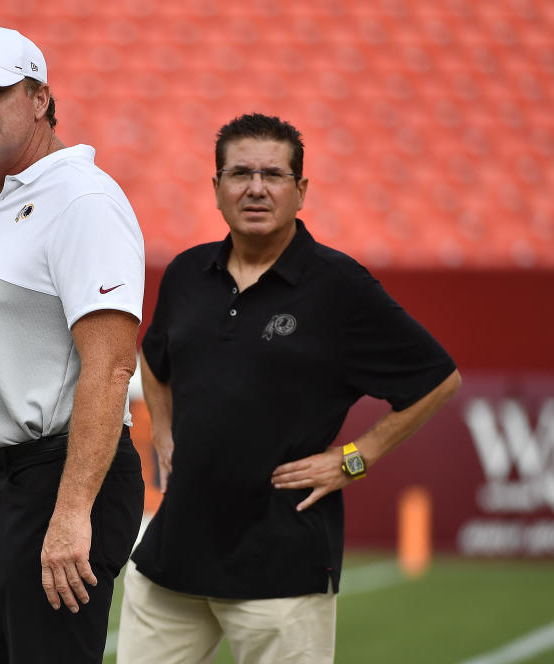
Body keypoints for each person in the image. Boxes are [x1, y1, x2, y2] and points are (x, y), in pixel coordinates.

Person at [117, 113, 462, 664]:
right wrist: (163, 435)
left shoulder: (340, 287)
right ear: (216, 189)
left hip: (281, 568)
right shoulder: (185, 273)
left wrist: (355, 458)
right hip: (172, 560)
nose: (256, 188)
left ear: (300, 191)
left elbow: (438, 380)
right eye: (240, 174)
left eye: (273, 175)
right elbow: (153, 361)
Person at [0, 26, 146, 664]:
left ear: (40, 99)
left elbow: (110, 368)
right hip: (11, 488)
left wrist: (72, 511)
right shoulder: (20, 199)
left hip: (61, 481)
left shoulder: (80, 199)